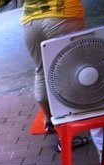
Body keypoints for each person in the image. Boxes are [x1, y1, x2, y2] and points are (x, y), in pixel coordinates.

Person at [21, 0, 88, 144]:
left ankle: (49, 119)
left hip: (31, 20)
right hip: (63, 13)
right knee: (72, 69)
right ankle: (70, 124)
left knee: (41, 71)